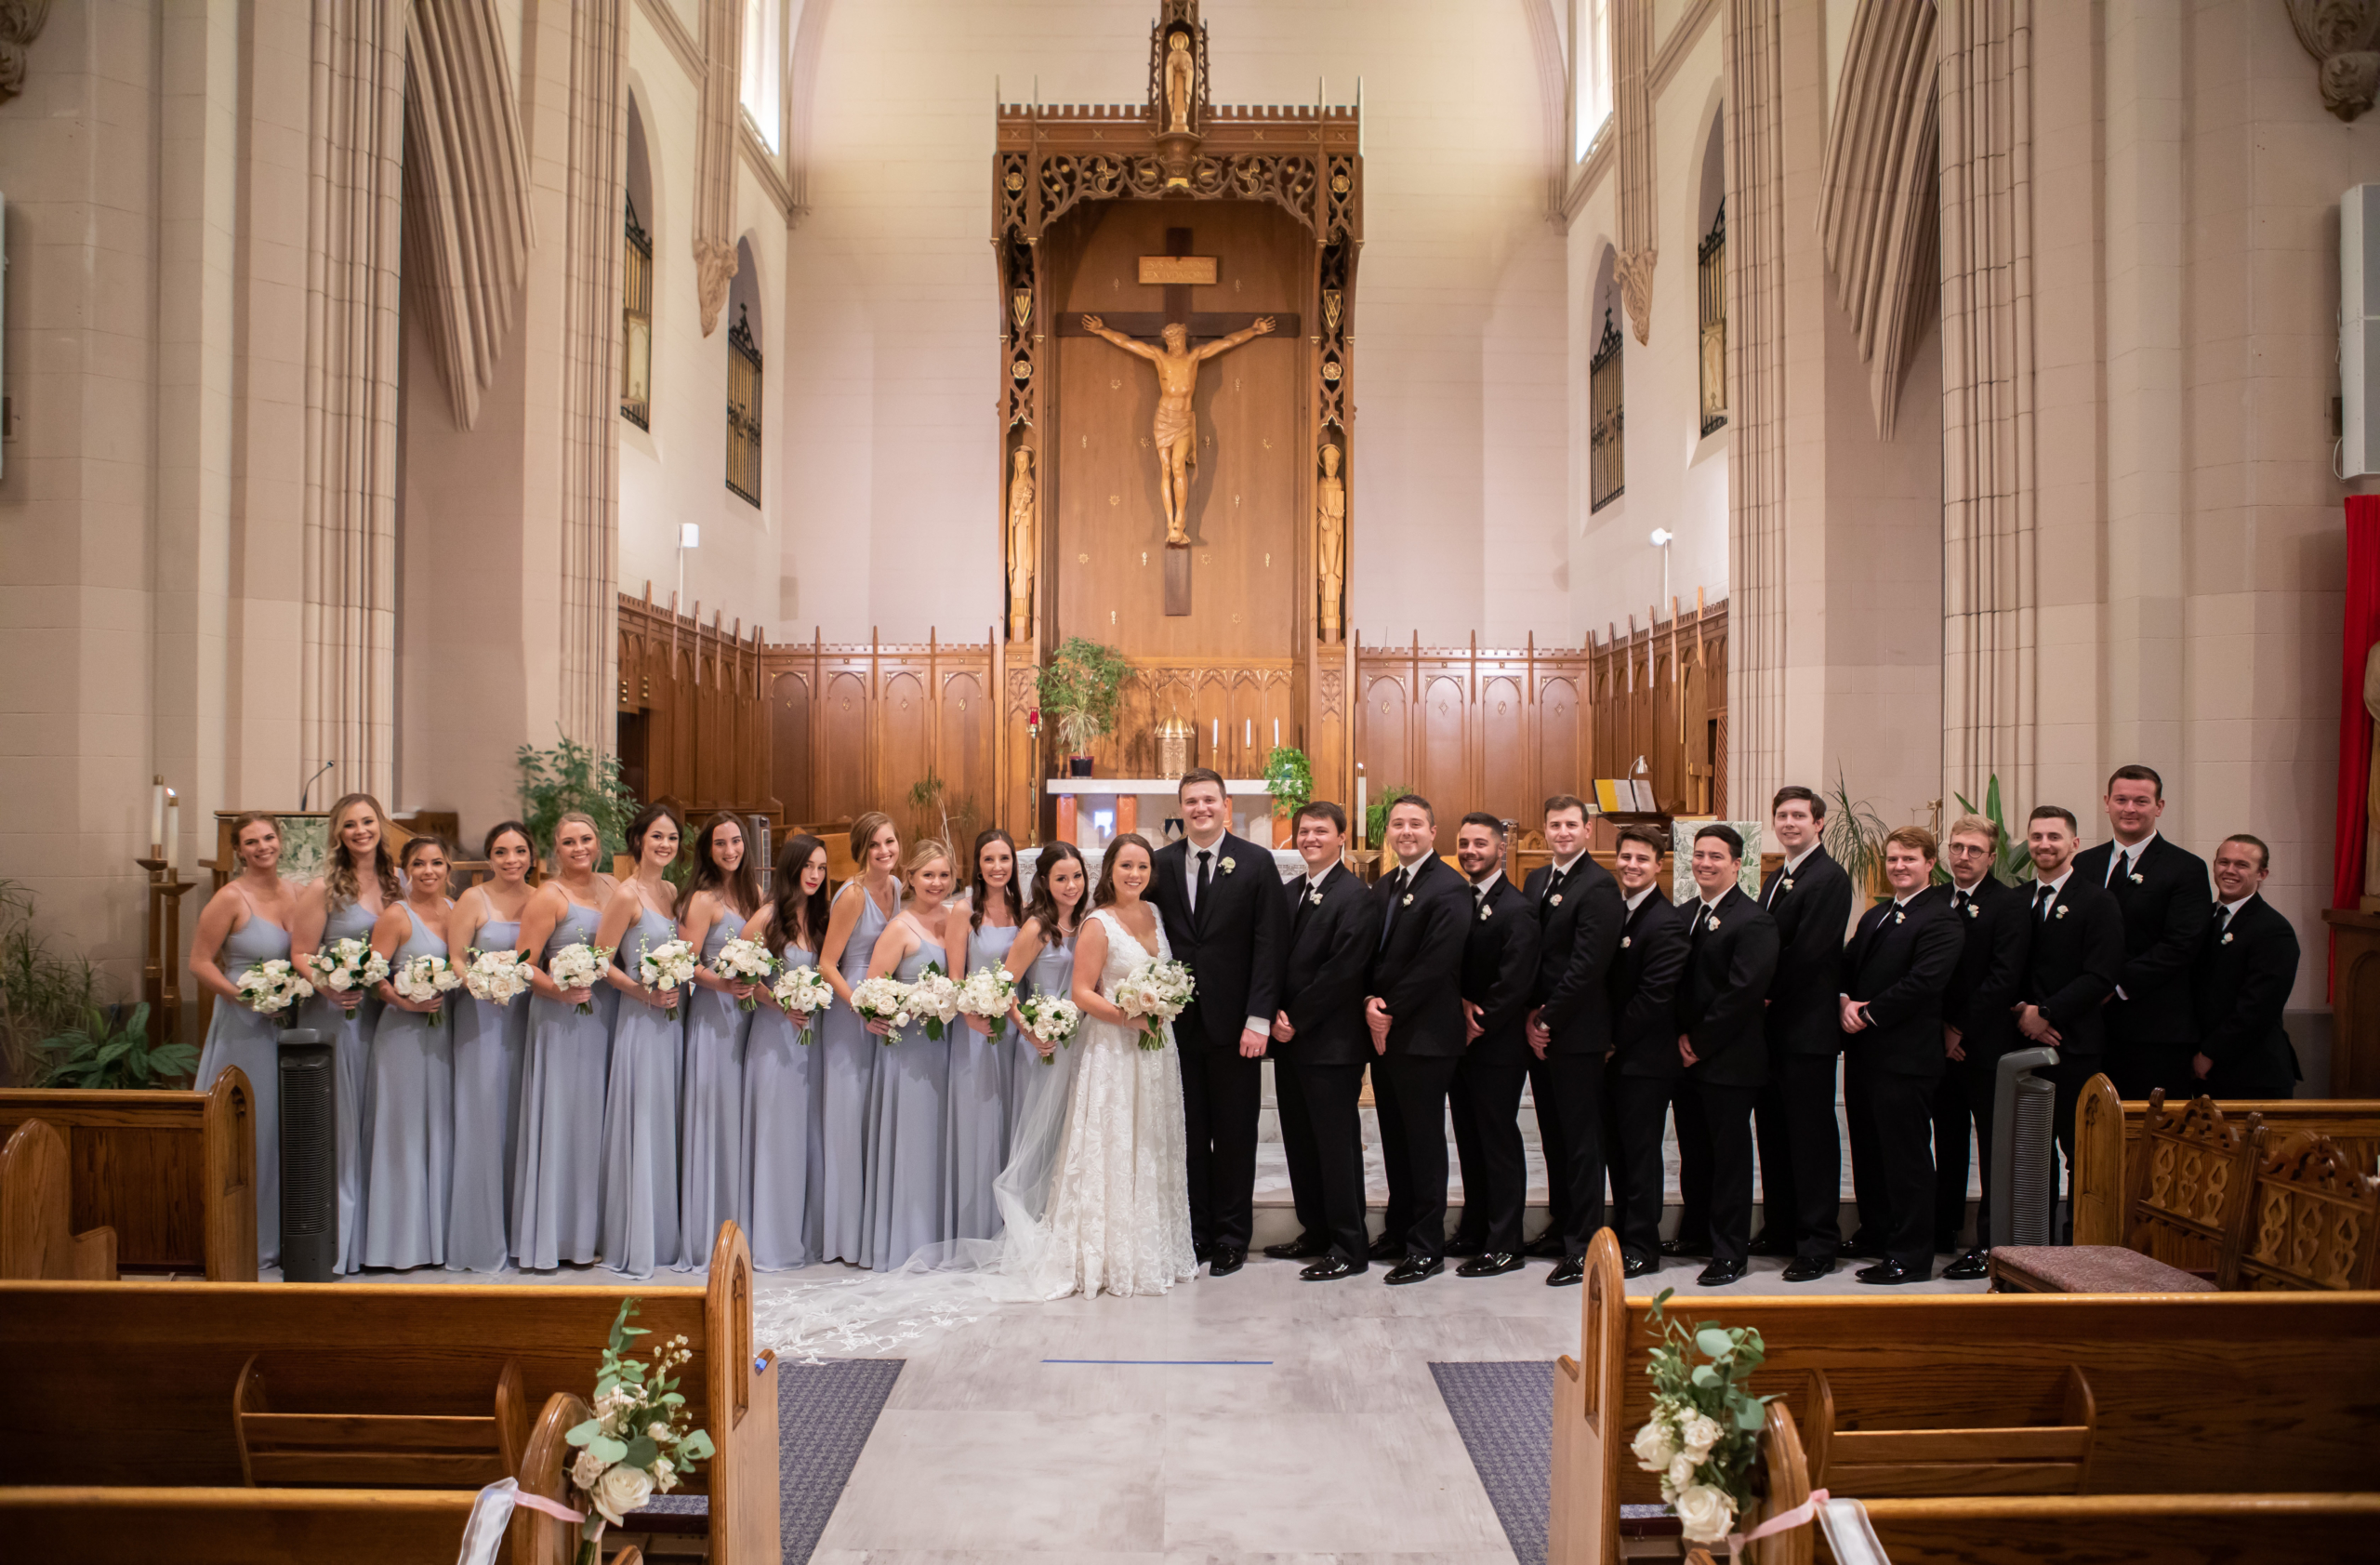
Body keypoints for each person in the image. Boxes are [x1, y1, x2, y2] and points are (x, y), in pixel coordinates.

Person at [1037, 832, 1198, 1297]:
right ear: (1109, 870)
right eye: (1126, 866)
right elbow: (1082, 992)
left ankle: (1153, 1248)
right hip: (1113, 1047)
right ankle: (1106, 1255)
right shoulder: (1097, 923)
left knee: (1151, 1143)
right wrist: (1129, 1017)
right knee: (1114, 1143)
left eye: (1143, 867)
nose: (1135, 875)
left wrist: (1163, 1007)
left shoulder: (1156, 914)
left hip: (1156, 1049)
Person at [1148, 767, 1286, 1277]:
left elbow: (1271, 945)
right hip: (1175, 1026)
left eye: (1209, 800)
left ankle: (1232, 1236)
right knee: (1187, 1135)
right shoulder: (1158, 864)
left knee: (1234, 1136)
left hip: (1236, 1028)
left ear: (1225, 804)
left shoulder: (1255, 862)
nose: (1200, 809)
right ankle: (1196, 1232)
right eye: (1191, 802)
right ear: (1180, 808)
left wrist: (1259, 1019)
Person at [1837, 828, 1964, 1285]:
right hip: (1866, 1055)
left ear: (1931, 863)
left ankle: (1911, 1256)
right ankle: (1877, 1231)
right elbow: (1847, 965)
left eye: (1908, 859)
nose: (1898, 867)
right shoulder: (1875, 916)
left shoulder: (1941, 919)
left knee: (1906, 1158)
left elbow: (1925, 983)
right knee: (1869, 1151)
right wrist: (1843, 1000)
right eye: (1892, 859)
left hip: (1906, 1058)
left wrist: (1867, 1014)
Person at [1264, 801, 1381, 1280]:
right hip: (1290, 1039)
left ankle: (1349, 1244)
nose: (1311, 838)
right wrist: (1271, 1012)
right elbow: (1271, 958)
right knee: (1300, 1142)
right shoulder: (1292, 891)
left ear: (1341, 838)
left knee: (1335, 1146)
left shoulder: (1356, 895)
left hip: (1331, 1044)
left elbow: (1343, 971)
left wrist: (1297, 1018)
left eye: (1321, 831)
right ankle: (1315, 1231)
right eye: (1304, 831)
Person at [290, 791, 401, 1275]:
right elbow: (300, 953)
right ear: (338, 833)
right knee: (337, 1126)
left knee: (376, 1124)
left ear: (381, 826)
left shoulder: (397, 883)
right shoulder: (323, 889)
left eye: (368, 822)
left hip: (383, 1015)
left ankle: (378, 1237)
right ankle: (337, 1243)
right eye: (350, 824)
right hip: (335, 1013)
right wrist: (329, 987)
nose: (361, 831)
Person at [1363, 794, 1471, 1284]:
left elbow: (1436, 960)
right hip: (1386, 1035)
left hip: (1425, 1035)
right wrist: (1368, 999)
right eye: (1398, 824)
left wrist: (1388, 1007)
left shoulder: (1449, 887)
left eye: (1415, 824)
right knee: (1395, 1139)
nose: (1405, 831)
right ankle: (1399, 1228)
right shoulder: (1385, 884)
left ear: (1433, 831)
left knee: (1424, 1144)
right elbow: (1370, 955)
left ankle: (1426, 1246)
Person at [1750, 785, 1854, 1276]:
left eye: (1799, 816)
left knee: (1810, 1136)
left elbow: (1811, 951)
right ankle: (1781, 1225)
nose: (1789, 823)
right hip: (1772, 1029)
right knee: (1773, 1132)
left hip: (1806, 1028)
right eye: (1782, 815)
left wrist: (1764, 990)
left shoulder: (1830, 877)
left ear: (1819, 824)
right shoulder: (1777, 877)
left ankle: (1817, 1241)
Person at [189, 812, 299, 1269]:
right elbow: (199, 962)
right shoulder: (229, 897)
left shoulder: (296, 890)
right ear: (238, 850)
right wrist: (244, 997)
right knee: (249, 1127)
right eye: (251, 842)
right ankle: (239, 1237)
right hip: (245, 1026)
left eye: (268, 837)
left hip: (288, 1023)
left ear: (281, 840)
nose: (262, 847)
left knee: (284, 1128)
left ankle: (279, 1236)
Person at [1521, 793, 1626, 1268]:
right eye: (1554, 825)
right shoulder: (1537, 878)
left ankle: (1584, 1244)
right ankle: (1562, 1226)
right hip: (1541, 1032)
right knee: (1554, 1137)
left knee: (1583, 1142)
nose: (1562, 833)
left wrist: (1547, 1019)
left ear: (1588, 830)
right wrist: (1530, 1014)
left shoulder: (1599, 886)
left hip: (1577, 1033)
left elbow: (1587, 966)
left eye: (1570, 825)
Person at [1673, 825, 1778, 1287]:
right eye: (1699, 855)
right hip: (1685, 1058)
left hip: (1729, 1059)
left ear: (1737, 865)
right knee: (1694, 1154)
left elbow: (1743, 992)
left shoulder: (1753, 920)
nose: (1705, 864)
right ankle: (1696, 1233)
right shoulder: (1684, 914)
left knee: (1730, 1158)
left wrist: (1698, 1042)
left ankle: (1730, 1250)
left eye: (1716, 856)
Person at [512, 812, 615, 1270]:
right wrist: (560, 990)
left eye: (586, 839)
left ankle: (600, 1232)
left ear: (598, 843)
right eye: (569, 841)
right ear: (556, 849)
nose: (579, 848)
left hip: (607, 1016)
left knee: (599, 1125)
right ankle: (559, 1238)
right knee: (565, 1120)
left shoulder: (614, 887)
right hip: (561, 1019)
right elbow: (524, 964)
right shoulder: (548, 897)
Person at [2070, 765, 2213, 1098]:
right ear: (2106, 802)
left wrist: (2114, 985)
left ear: (2159, 807)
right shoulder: (2084, 864)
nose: (2129, 809)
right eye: (2121, 799)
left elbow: (2181, 945)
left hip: (2154, 1029)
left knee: (2151, 1134)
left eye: (2141, 801)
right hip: (2089, 1027)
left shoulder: (2185, 868)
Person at [1933, 815, 2032, 1281]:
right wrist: (1940, 1030)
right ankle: (1943, 1229)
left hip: (1985, 1046)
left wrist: (1960, 1030)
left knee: (1994, 1146)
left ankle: (1990, 1242)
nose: (1964, 856)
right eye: (1956, 847)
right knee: (1947, 1143)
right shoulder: (1934, 900)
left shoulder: (2008, 905)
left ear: (1993, 857)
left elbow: (2003, 977)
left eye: (1974, 849)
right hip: (1938, 1046)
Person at [1445, 812, 1541, 1279]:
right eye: (1464, 843)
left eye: (1480, 844)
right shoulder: (1459, 898)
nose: (1470, 852)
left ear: (1501, 848)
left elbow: (1514, 982)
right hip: (1461, 1043)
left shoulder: (1516, 908)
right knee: (1469, 1137)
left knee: (1498, 1140)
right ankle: (1475, 1228)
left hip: (1496, 1046)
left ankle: (1506, 1242)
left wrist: (1475, 1020)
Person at [596, 804, 687, 1279]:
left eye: (672, 838)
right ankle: (637, 1239)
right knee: (644, 1120)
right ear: (638, 839)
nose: (665, 845)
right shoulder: (626, 894)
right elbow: (600, 961)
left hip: (673, 1022)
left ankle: (666, 1236)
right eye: (657, 836)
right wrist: (643, 991)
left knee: (667, 1121)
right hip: (641, 1019)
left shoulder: (670, 891)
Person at [860, 840, 959, 1270]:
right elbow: (871, 989)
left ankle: (941, 1236)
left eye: (943, 875)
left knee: (941, 1141)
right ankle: (906, 1239)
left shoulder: (955, 919)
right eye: (927, 875)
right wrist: (908, 1003)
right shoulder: (900, 928)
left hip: (948, 1050)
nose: (936, 883)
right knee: (913, 1141)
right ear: (912, 879)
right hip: (910, 1052)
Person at [2015, 806, 2125, 1189]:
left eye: (2054, 837)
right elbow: (2004, 969)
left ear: (2074, 844)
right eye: (2037, 837)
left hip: (2075, 1046)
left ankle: (2080, 1244)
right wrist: (2023, 1015)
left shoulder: (2098, 902)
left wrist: (2047, 1013)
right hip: (2020, 1046)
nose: (2044, 845)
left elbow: (2101, 976)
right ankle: (2033, 1247)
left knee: (2081, 1153)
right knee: (2029, 1155)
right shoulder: (2016, 899)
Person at [360, 835, 456, 1269]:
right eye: (419, 864)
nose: (429, 871)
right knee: (401, 1131)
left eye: (437, 863)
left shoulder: (456, 912)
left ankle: (435, 1239)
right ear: (406, 870)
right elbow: (374, 976)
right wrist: (405, 1000)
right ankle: (395, 1244)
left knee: (437, 1128)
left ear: (447, 868)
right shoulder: (396, 916)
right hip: (401, 1034)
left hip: (442, 1034)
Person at [447, 821, 536, 1273]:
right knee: (484, 1116)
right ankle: (480, 1237)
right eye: (501, 852)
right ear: (489, 858)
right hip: (481, 1015)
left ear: (531, 856)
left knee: (519, 1118)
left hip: (525, 1018)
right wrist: (480, 983)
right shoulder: (472, 899)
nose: (511, 860)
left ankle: (522, 1230)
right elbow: (457, 956)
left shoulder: (539, 898)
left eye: (519, 851)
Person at [741, 834, 831, 1271]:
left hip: (812, 1043)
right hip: (774, 1039)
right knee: (777, 1136)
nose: (815, 876)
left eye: (821, 868)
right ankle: (773, 1242)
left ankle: (805, 1235)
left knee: (806, 1134)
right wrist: (781, 1002)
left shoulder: (819, 919)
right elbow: (742, 980)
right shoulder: (766, 918)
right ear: (791, 868)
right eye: (808, 867)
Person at [1604, 825, 1690, 1279]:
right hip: (1615, 1059)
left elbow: (1655, 998)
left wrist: (1612, 1039)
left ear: (1659, 865)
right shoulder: (1616, 911)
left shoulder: (1665, 922)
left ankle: (1643, 1244)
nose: (1631, 865)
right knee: (1616, 1151)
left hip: (1644, 1060)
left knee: (1640, 1153)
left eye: (1641, 859)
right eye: (1626, 857)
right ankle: (1622, 1231)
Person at [815, 813, 902, 1265]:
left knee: (875, 1120)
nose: (884, 851)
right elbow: (827, 964)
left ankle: (874, 1232)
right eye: (874, 845)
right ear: (860, 851)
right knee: (848, 1123)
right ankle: (845, 1239)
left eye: (890, 842)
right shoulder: (852, 895)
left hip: (883, 1012)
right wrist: (860, 1007)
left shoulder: (900, 890)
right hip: (851, 1011)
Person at [679, 813, 763, 1269]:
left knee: (741, 1117)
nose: (730, 850)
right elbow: (685, 964)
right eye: (720, 844)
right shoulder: (702, 901)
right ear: (707, 851)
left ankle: (742, 1226)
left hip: (750, 1015)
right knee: (716, 1115)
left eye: (736, 842)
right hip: (715, 1014)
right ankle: (710, 1231)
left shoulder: (753, 897)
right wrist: (724, 984)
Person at [945, 829, 1025, 1241]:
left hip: (1013, 1032)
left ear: (1014, 864)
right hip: (975, 1031)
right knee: (979, 1124)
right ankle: (977, 1227)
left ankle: (1011, 1225)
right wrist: (969, 1014)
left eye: (1004, 859)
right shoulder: (964, 911)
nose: (997, 867)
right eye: (989, 859)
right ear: (977, 864)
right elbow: (954, 977)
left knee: (1011, 1123)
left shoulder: (1023, 909)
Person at [2191, 834, 2303, 1099]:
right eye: (2224, 862)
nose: (2230, 871)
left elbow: (2258, 1007)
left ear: (2262, 873)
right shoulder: (2200, 918)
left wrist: (2210, 1053)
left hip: (2253, 1074)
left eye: (2242, 865)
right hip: (2203, 1070)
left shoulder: (2273, 929)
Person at [1004, 841, 1088, 1159]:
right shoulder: (1037, 927)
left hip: (1079, 1038)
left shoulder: (1087, 922)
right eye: (1061, 878)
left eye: (1077, 876)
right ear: (1044, 881)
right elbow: (1005, 987)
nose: (1071, 886)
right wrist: (1031, 1032)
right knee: (1038, 1138)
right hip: (1042, 1042)